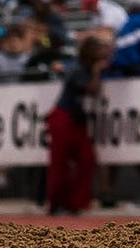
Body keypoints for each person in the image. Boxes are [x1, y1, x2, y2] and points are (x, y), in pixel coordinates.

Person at [45, 29, 110, 214]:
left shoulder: (85, 67)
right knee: (60, 162)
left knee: (87, 158)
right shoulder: (77, 68)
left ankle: (75, 201)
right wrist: (97, 71)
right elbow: (92, 90)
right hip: (63, 116)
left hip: (77, 119)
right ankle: (57, 203)